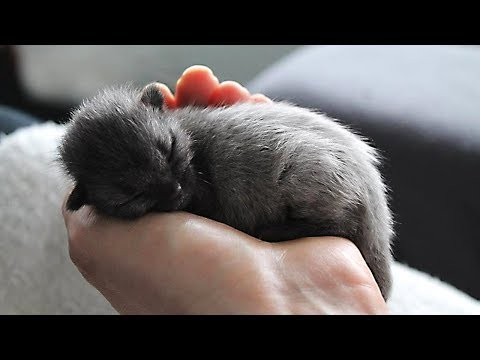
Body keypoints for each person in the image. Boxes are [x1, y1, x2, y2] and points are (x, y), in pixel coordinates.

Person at [6, 65, 386, 314]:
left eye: (170, 152)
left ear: (157, 109)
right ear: (85, 199)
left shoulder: (196, 138)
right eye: (137, 195)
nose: (173, 187)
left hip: (333, 183)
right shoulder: (159, 149)